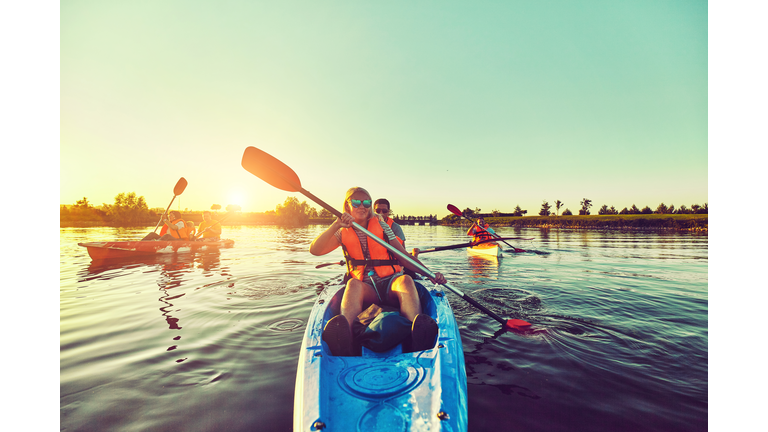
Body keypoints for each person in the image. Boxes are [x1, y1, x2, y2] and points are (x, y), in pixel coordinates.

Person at [310, 187, 446, 356]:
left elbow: (404, 257)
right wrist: (336, 224)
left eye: (366, 202)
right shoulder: (341, 230)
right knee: (352, 284)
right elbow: (315, 250)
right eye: (356, 202)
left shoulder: (382, 225)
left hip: (390, 284)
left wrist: (430, 275)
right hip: (367, 289)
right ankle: (348, 341)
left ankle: (415, 336)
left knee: (406, 281)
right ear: (347, 206)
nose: (362, 206)